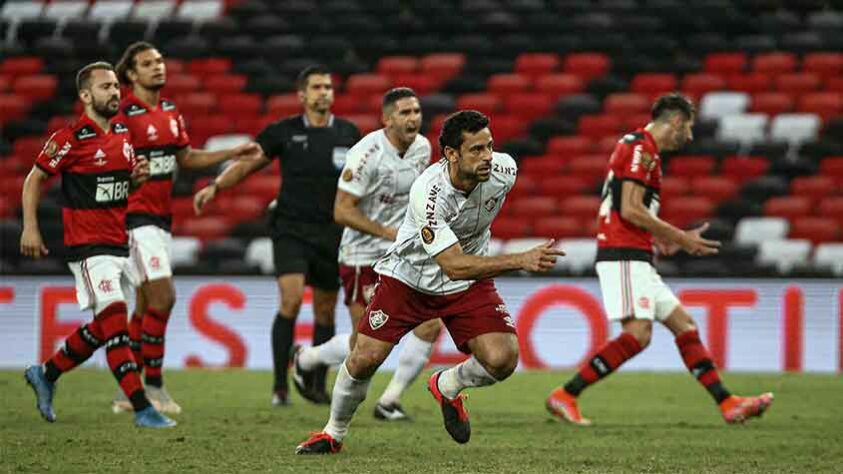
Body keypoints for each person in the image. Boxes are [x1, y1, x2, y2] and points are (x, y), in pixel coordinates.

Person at [295, 110, 565, 454]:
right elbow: (452, 265)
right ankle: (333, 433)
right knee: (364, 358)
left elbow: (461, 264)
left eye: (490, 147)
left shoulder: (505, 170)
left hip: (466, 282)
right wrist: (520, 260)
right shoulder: (428, 192)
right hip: (409, 279)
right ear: (451, 154)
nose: (487, 158)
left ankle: (447, 384)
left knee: (503, 358)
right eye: (476, 150)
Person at [545, 93, 774, 426]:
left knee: (684, 325)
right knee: (638, 334)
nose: (690, 137)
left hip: (636, 252)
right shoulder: (642, 148)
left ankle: (728, 404)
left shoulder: (641, 148)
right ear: (677, 122)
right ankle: (565, 395)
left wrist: (659, 238)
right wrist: (679, 237)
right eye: (689, 128)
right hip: (622, 254)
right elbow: (630, 208)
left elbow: (630, 208)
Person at [20, 62, 175, 428]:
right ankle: (142, 408)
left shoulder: (122, 134)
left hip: (119, 244)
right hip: (88, 249)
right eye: (105, 87)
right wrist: (30, 227)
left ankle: (45, 373)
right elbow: (33, 179)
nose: (115, 92)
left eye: (116, 86)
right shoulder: (69, 138)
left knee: (103, 328)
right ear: (86, 96)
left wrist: (136, 180)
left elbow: (118, 189)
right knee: (117, 327)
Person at [194, 65, 361, 406]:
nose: (324, 92)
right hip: (290, 229)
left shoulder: (348, 133)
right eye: (317, 87)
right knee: (292, 298)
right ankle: (279, 385)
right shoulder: (283, 131)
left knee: (326, 313)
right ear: (302, 95)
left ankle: (315, 381)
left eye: (328, 86)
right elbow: (250, 163)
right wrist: (217, 185)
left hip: (332, 232)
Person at [109, 42, 261, 414]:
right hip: (133, 219)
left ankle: (127, 392)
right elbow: (106, 158)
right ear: (131, 74)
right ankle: (155, 387)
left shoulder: (170, 112)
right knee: (164, 298)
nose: (158, 68)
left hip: (160, 219)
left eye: (160, 61)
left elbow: (187, 158)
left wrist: (231, 153)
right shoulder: (123, 113)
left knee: (145, 305)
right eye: (147, 64)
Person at [291, 87, 442, 421]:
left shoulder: (422, 148)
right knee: (367, 345)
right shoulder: (366, 154)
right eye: (405, 112)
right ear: (387, 119)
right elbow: (342, 211)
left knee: (430, 324)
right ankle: (307, 358)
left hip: (404, 254)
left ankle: (390, 400)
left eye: (416, 111)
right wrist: (388, 232)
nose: (414, 118)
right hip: (363, 257)